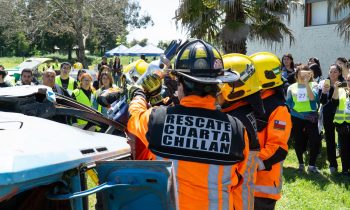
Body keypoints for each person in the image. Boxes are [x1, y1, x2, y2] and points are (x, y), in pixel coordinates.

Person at [127, 39, 249, 210]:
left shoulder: (157, 119)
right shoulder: (237, 130)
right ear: (217, 85)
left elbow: (134, 118)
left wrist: (140, 94)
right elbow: (238, 183)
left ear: (181, 84)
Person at [219, 53, 262, 210]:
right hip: (242, 193)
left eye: (219, 84)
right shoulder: (242, 110)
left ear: (235, 88)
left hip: (236, 198)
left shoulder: (234, 120)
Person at [250, 52, 292, 210]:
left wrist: (248, 165)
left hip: (263, 188)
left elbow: (278, 149)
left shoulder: (279, 109)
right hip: (245, 184)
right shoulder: (255, 101)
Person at [286, 64, 321, 173]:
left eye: (307, 73)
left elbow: (313, 98)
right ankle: (301, 164)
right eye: (302, 73)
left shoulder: (314, 84)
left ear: (310, 74)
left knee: (314, 140)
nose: (304, 75)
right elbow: (289, 103)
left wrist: (306, 83)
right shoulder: (291, 87)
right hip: (297, 117)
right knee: (299, 141)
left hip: (311, 117)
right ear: (297, 74)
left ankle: (311, 165)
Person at [318, 64, 344, 174]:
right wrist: (324, 92)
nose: (332, 74)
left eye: (335, 72)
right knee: (330, 139)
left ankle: (346, 165)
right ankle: (333, 164)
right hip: (328, 115)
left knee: (343, 140)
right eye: (331, 71)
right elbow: (322, 102)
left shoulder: (344, 84)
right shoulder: (324, 83)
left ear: (339, 73)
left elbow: (338, 102)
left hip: (341, 114)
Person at [331, 74, 350, 176]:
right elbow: (333, 102)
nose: (349, 82)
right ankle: (345, 169)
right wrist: (335, 89)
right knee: (343, 148)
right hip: (341, 123)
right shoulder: (341, 91)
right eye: (348, 80)